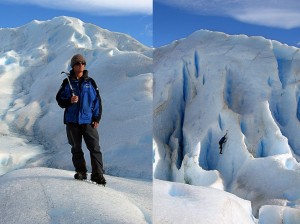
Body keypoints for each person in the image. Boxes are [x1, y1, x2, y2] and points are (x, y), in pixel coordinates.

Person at [56, 54, 106, 186]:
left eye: (83, 63)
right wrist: (69, 101)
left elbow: (97, 101)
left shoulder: (90, 82)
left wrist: (97, 117)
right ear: (73, 65)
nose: (81, 65)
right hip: (72, 121)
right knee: (76, 148)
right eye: (78, 63)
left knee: (95, 148)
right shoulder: (67, 82)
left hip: (88, 121)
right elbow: (60, 100)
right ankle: (81, 172)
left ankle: (97, 175)